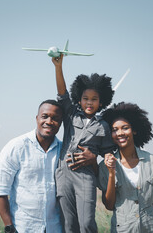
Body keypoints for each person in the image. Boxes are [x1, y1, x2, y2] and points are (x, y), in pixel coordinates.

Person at [52, 54, 115, 233]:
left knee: (87, 223)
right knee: (69, 225)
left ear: (101, 102)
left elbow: (108, 151)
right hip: (64, 174)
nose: (89, 102)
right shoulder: (70, 114)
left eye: (94, 99)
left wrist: (97, 157)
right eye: (85, 98)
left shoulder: (103, 126)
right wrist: (58, 67)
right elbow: (62, 93)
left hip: (86, 176)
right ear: (79, 100)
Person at [0, 100, 63, 233]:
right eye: (45, 116)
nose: (49, 121)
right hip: (23, 227)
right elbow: (0, 192)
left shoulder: (63, 151)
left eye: (55, 118)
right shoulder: (16, 147)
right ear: (37, 118)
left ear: (60, 123)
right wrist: (9, 227)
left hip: (56, 227)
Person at [98, 102, 153, 233]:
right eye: (114, 130)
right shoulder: (104, 166)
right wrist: (111, 173)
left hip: (151, 227)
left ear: (134, 130)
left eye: (125, 128)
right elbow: (109, 205)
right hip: (123, 228)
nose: (120, 133)